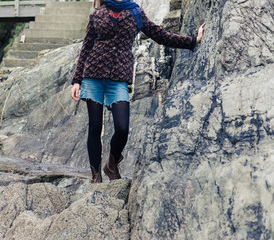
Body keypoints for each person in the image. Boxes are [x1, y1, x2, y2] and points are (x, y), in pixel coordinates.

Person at [71, 0, 206, 183]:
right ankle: (96, 177)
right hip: (93, 75)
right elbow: (86, 47)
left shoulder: (135, 13)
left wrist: (192, 41)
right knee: (95, 127)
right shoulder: (97, 14)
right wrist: (77, 80)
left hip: (118, 78)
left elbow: (160, 35)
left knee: (122, 128)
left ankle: (111, 163)